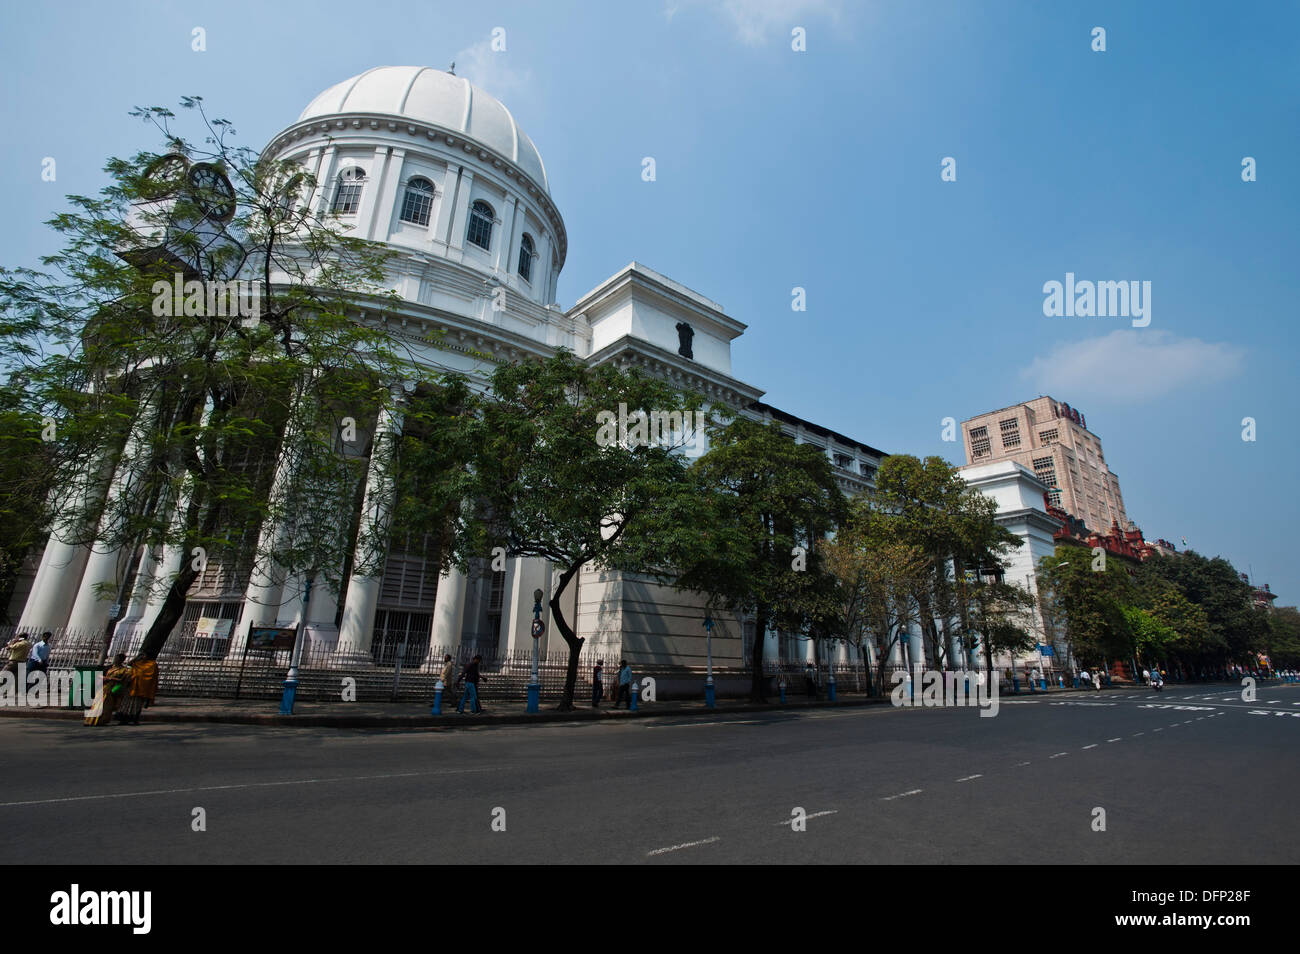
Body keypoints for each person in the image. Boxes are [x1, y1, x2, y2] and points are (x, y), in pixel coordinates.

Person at [85, 653, 132, 726]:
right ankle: (91, 720)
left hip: (113, 689)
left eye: (117, 659)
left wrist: (111, 679)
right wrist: (104, 678)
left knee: (106, 706)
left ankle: (101, 721)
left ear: (122, 660)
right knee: (96, 704)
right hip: (104, 687)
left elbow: (123, 680)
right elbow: (100, 675)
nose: (115, 660)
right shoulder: (109, 667)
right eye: (115, 659)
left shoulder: (124, 670)